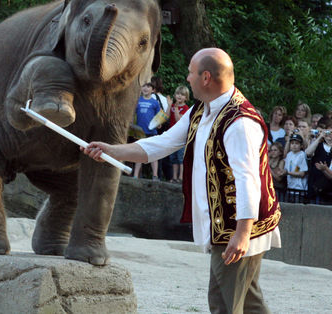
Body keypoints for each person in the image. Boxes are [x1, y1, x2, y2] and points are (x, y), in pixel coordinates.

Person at [82, 48, 281, 314]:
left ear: (206, 77)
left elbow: (248, 181)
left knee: (224, 304)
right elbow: (162, 144)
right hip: (227, 226)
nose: (187, 78)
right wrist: (111, 150)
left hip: (237, 227)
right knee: (248, 303)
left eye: (191, 72)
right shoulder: (201, 112)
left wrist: (242, 234)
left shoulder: (240, 123)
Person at [132, 82, 161, 180]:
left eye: (148, 86)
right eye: (144, 86)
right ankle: (135, 175)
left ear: (153, 90)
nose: (145, 88)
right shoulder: (137, 101)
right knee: (138, 154)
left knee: (153, 153)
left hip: (152, 132)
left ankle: (155, 175)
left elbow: (159, 118)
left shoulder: (155, 103)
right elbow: (132, 115)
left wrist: (159, 124)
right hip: (140, 132)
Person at [305, 119, 332, 204]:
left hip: (328, 187)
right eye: (328, 132)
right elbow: (308, 153)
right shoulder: (318, 144)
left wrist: (324, 169)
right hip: (314, 184)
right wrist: (320, 137)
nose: (330, 134)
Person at [168, 85, 190, 183]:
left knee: (181, 157)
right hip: (172, 135)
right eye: (177, 94)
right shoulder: (173, 106)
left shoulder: (186, 108)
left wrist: (176, 108)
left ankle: (181, 177)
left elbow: (178, 120)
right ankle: (174, 177)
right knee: (173, 158)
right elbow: (167, 116)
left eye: (182, 95)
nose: (179, 96)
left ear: (186, 97)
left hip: (181, 136)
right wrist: (169, 106)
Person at [283, 133, 308, 203]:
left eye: (296, 143)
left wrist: (288, 173)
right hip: (290, 187)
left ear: (301, 145)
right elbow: (286, 169)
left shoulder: (302, 155)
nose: (294, 145)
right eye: (292, 143)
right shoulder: (289, 154)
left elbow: (302, 173)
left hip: (299, 189)